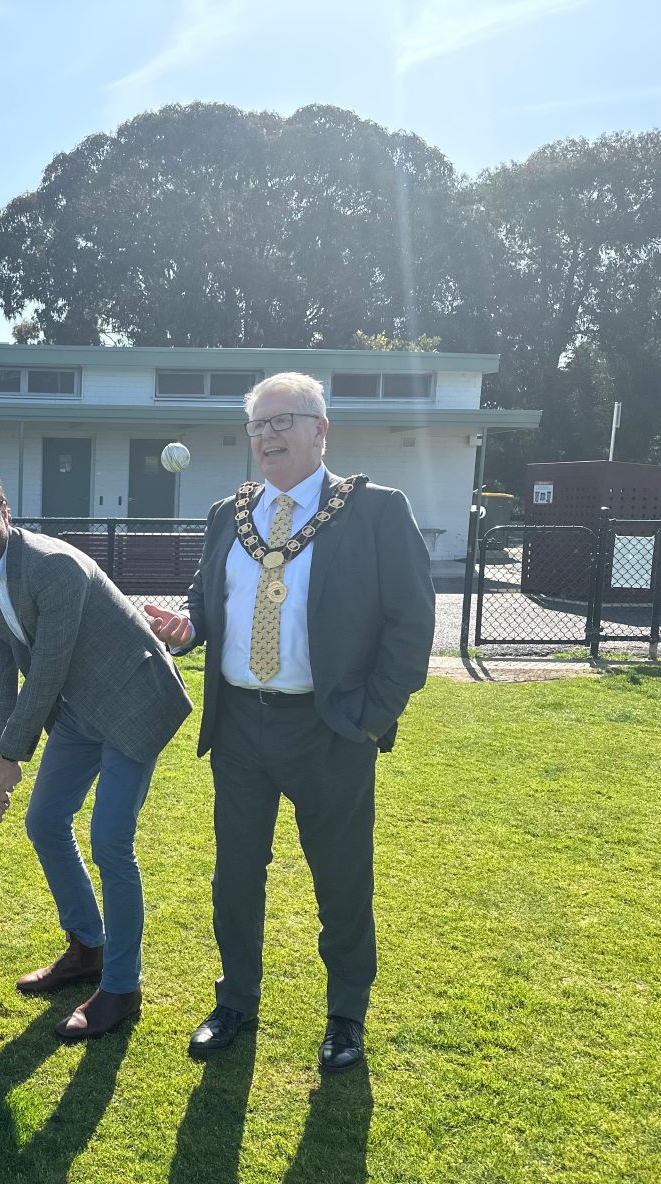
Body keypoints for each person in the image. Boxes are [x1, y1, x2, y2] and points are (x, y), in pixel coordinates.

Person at [143, 371, 434, 1070]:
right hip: (240, 726)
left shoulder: (374, 511)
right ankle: (235, 1000)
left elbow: (411, 625)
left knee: (341, 878)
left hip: (331, 730)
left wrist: (368, 718)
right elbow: (210, 601)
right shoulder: (229, 513)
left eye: (284, 421)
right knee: (235, 876)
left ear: (320, 430)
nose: (268, 436)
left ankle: (345, 1017)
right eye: (258, 425)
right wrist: (189, 627)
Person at [0, 464, 192, 1040]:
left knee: (110, 840)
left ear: (3, 511)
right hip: (79, 708)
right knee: (46, 823)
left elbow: (45, 672)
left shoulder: (53, 566)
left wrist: (13, 756)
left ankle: (122, 988)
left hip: (132, 697)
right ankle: (88, 948)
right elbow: (0, 676)